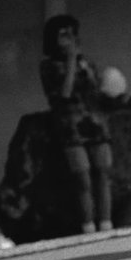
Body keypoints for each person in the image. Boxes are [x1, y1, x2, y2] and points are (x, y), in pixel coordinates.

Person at [39, 15, 115, 234]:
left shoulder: (86, 62)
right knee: (82, 176)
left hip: (95, 122)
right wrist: (71, 62)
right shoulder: (48, 66)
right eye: (64, 35)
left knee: (102, 173)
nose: (69, 39)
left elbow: (95, 90)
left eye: (72, 34)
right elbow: (64, 93)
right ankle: (88, 224)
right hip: (70, 126)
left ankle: (106, 222)